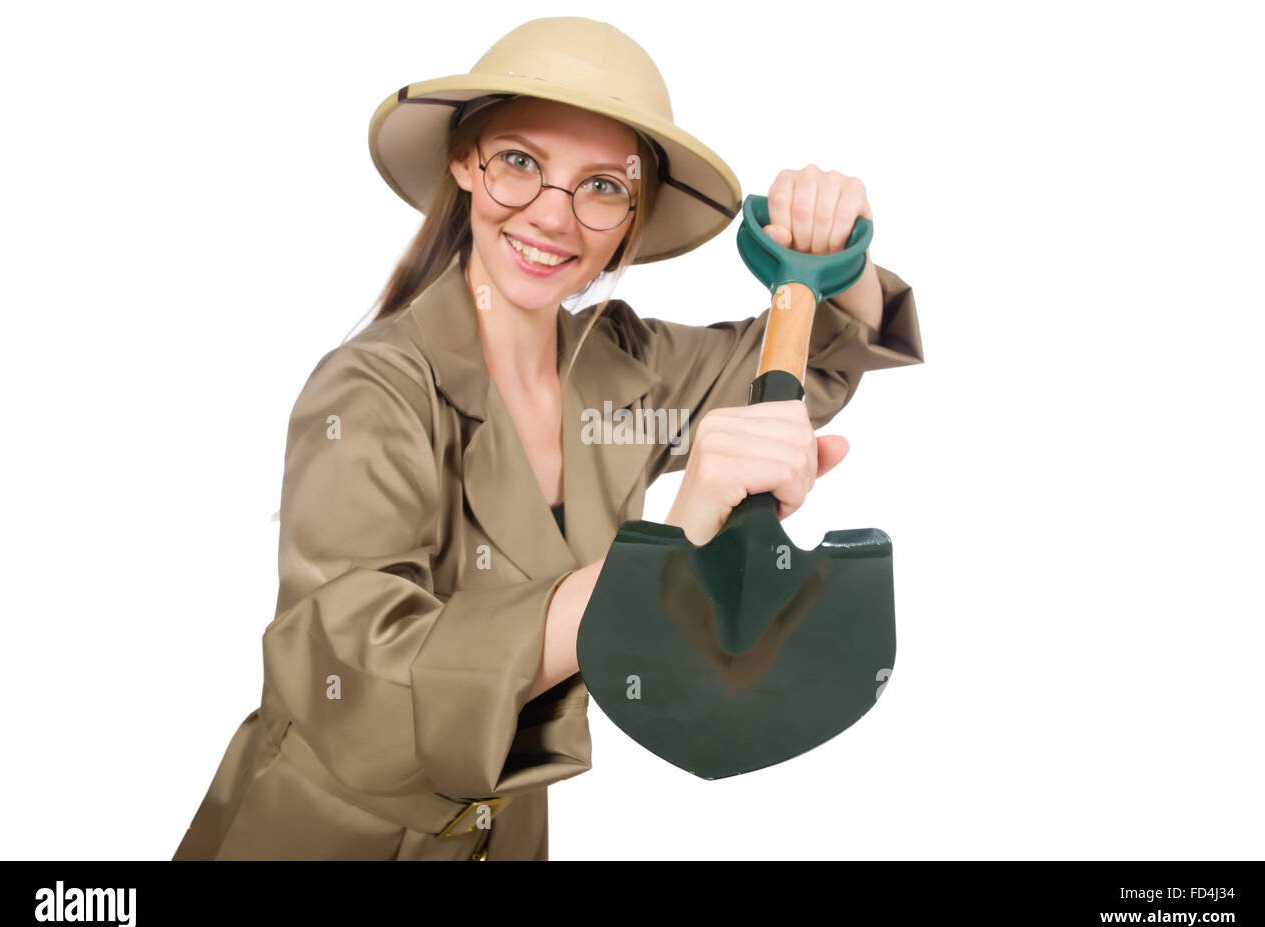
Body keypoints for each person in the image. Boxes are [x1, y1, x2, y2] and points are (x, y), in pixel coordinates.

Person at [172, 16, 924, 861]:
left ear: (633, 216)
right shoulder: (367, 391)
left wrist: (839, 260)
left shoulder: (625, 366)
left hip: (507, 836)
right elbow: (359, 689)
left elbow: (817, 358)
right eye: (520, 163)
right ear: (464, 162)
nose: (553, 217)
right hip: (319, 836)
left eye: (603, 186)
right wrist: (668, 548)